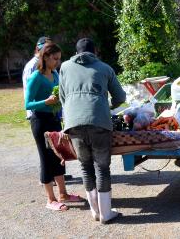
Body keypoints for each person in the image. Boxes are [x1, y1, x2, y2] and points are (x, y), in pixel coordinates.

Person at [59, 38, 126, 224]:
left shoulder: (64, 67)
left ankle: (95, 212)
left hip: (73, 123)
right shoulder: (105, 68)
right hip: (99, 122)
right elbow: (120, 97)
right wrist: (107, 106)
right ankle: (106, 214)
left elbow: (62, 97)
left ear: (76, 52)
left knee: (85, 167)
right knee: (102, 168)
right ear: (94, 51)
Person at [25, 42, 83, 212]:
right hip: (40, 121)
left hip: (54, 120)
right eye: (55, 58)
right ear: (46, 57)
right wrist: (46, 102)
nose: (58, 62)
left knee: (60, 156)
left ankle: (63, 194)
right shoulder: (35, 77)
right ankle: (50, 199)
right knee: (46, 158)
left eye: (59, 58)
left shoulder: (55, 74)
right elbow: (28, 104)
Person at [23, 36, 51, 120]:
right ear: (37, 48)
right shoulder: (31, 66)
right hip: (37, 113)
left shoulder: (49, 63)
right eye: (44, 49)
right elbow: (29, 90)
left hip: (49, 111)